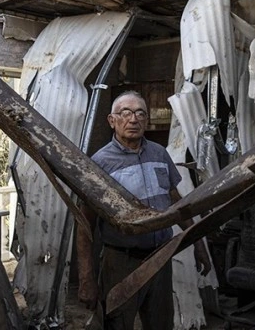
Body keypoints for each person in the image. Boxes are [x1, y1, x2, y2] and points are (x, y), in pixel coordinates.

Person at [76, 90, 212, 330]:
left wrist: (198, 243)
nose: (133, 119)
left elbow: (175, 202)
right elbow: (85, 222)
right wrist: (86, 276)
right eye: (125, 113)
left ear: (147, 120)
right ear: (112, 120)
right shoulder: (99, 163)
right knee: (117, 323)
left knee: (160, 323)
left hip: (160, 258)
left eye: (140, 113)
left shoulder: (160, 153)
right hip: (120, 262)